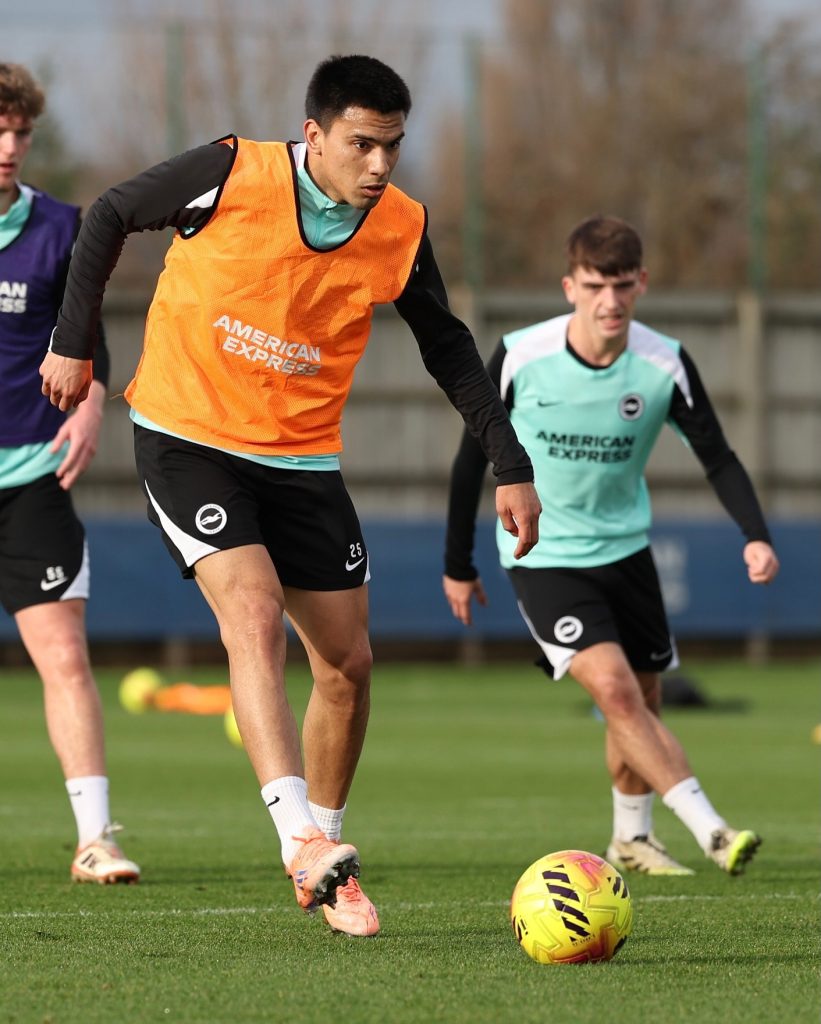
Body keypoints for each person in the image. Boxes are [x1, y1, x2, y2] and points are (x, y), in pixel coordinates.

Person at [40, 54, 541, 935]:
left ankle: (329, 859)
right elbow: (112, 211)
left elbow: (448, 344)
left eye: (392, 147)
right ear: (313, 135)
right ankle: (296, 835)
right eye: (361, 145)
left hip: (302, 459)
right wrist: (73, 344)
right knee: (254, 610)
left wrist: (510, 462)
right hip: (188, 435)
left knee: (347, 668)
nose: (379, 166)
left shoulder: (398, 225)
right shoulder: (232, 171)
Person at [442, 215, 779, 877]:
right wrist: (458, 564)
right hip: (542, 554)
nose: (610, 301)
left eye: (622, 285)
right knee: (618, 697)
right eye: (595, 285)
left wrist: (755, 535)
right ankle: (711, 829)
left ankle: (631, 839)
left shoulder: (663, 363)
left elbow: (717, 456)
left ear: (642, 283)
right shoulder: (518, 356)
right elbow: (466, 461)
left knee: (643, 705)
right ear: (570, 286)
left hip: (625, 552)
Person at [0, 63, 139, 884]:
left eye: (19, 132)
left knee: (64, 658)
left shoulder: (62, 229)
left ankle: (96, 838)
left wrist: (90, 404)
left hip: (32, 480)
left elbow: (85, 333)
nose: (9, 147)